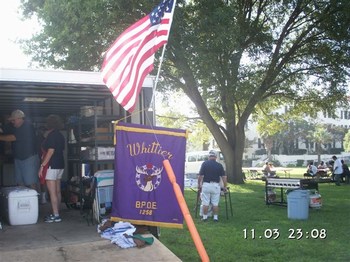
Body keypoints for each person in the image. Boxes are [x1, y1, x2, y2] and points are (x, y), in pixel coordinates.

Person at [0, 110, 39, 191]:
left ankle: (35, 202)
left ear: (20, 119)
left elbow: (12, 138)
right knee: (19, 182)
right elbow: (2, 129)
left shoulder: (27, 127)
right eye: (11, 120)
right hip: (18, 158)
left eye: (13, 120)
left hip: (29, 158)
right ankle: (22, 200)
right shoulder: (12, 126)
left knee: (31, 182)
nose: (12, 121)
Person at [39, 114, 65, 223]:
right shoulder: (60, 135)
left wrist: (42, 166)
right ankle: (57, 211)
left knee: (52, 192)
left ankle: (56, 215)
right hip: (60, 164)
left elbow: (50, 151)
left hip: (51, 165)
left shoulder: (51, 136)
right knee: (58, 191)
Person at [198, 150, 227, 222]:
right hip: (216, 186)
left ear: (209, 157)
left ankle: (205, 217)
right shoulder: (219, 165)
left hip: (206, 185)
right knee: (215, 203)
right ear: (216, 157)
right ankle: (215, 218)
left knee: (205, 202)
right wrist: (225, 186)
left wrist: (199, 185)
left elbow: (200, 176)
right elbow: (224, 177)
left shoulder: (204, 164)